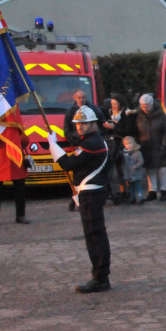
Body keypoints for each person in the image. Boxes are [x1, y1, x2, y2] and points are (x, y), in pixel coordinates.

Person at [48, 107, 112, 293]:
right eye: (77, 124)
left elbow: (67, 164)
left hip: (91, 194)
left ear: (93, 124)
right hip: (89, 192)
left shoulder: (92, 143)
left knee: (95, 236)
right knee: (94, 235)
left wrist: (53, 145)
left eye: (84, 123)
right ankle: (100, 276)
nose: (80, 127)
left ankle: (100, 278)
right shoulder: (90, 141)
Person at [0, 114, 30, 226]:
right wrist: (0, 135)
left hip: (15, 160)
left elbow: (25, 141)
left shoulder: (15, 126)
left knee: (20, 189)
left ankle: (20, 215)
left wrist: (16, 135)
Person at [136, 94, 166, 201]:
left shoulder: (161, 114)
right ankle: (152, 191)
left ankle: (164, 190)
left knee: (162, 169)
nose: (145, 108)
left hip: (159, 145)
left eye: (147, 106)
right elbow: (136, 130)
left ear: (152, 104)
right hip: (145, 146)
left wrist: (164, 145)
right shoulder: (139, 115)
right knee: (150, 169)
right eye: (143, 106)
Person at [102, 95, 135, 204]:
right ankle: (122, 191)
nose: (114, 106)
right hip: (113, 145)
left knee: (125, 170)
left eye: (115, 104)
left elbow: (128, 130)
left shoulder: (126, 114)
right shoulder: (110, 114)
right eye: (112, 104)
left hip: (124, 145)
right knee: (115, 169)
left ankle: (129, 192)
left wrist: (114, 127)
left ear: (121, 103)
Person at [121, 135, 145, 204]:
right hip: (128, 174)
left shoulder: (137, 153)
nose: (128, 145)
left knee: (138, 186)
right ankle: (132, 198)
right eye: (126, 144)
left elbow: (141, 161)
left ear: (133, 143)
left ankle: (140, 198)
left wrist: (135, 166)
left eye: (130, 143)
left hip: (136, 173)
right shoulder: (124, 153)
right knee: (130, 187)